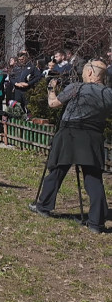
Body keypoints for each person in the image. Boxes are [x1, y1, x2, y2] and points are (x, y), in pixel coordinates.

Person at [30, 60, 112, 234]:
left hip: (70, 133)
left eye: (84, 71)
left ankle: (44, 206)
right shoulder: (108, 94)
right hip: (93, 137)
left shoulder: (77, 88)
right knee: (93, 179)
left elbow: (53, 104)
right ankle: (96, 223)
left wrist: (51, 89)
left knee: (58, 170)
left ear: (90, 73)